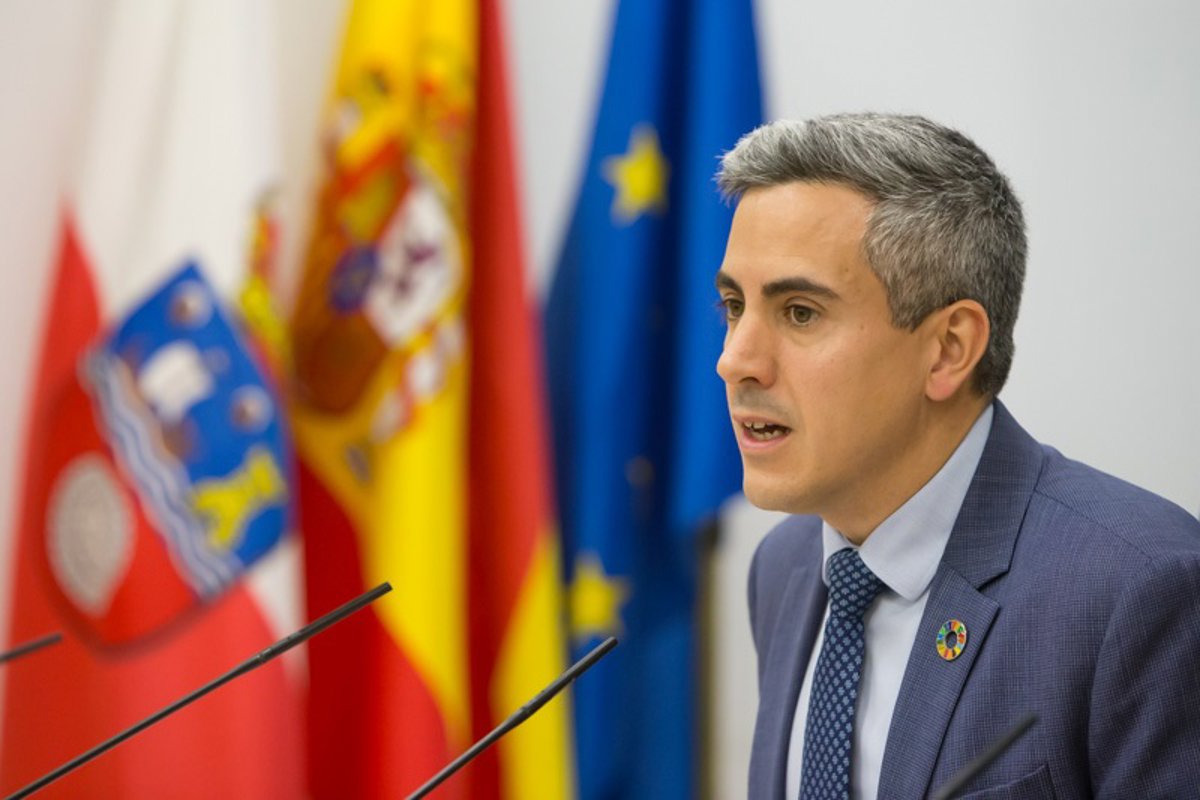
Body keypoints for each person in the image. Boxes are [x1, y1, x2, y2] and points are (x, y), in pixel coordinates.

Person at [714, 113, 1200, 800]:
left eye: (800, 312)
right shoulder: (785, 566)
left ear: (948, 349)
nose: (735, 360)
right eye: (734, 306)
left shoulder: (1139, 590)